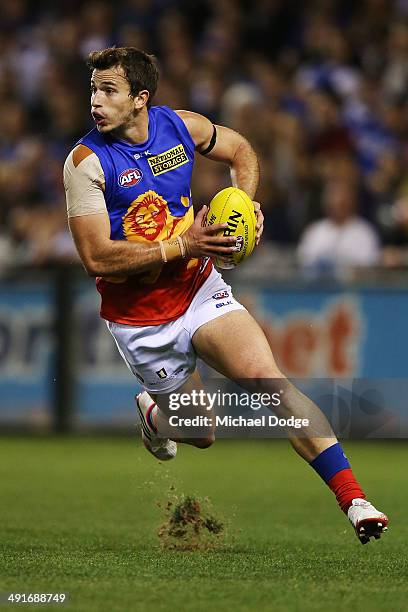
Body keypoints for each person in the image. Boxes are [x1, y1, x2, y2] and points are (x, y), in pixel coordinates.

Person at [64, 47, 388, 544]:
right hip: (141, 320)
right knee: (203, 433)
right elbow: (96, 258)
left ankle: (354, 499)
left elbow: (241, 151)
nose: (96, 100)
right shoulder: (85, 164)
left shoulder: (181, 128)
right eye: (93, 89)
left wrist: (247, 204)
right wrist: (182, 243)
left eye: (109, 90)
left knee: (269, 380)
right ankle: (154, 414)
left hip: (198, 289)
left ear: (140, 99)